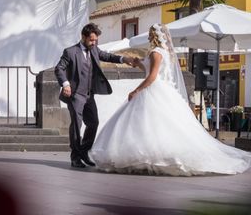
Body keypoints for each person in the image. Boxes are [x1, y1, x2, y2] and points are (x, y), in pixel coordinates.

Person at [90, 24, 251, 175]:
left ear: (155, 36)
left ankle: (152, 158)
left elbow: (152, 77)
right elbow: (151, 70)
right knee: (159, 126)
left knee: (148, 125)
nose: (148, 38)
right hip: (164, 90)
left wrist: (136, 90)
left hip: (153, 90)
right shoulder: (164, 53)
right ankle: (151, 159)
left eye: (150, 35)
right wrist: (139, 63)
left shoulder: (155, 52)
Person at [55, 23, 138, 168]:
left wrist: (124, 59)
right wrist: (66, 84)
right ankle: (75, 157)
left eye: (95, 40)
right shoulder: (70, 52)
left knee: (93, 123)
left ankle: (84, 152)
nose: (94, 43)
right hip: (75, 95)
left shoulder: (94, 50)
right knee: (76, 125)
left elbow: (107, 56)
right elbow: (59, 68)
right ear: (83, 37)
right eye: (91, 40)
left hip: (89, 95)